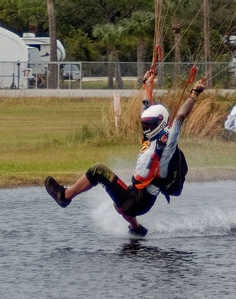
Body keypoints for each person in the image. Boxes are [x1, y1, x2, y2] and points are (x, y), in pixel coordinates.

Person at [44, 70, 205, 236]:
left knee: (98, 170)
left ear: (160, 122)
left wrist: (194, 94)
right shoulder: (152, 137)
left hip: (139, 201)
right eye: (145, 124)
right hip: (137, 195)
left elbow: (180, 116)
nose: (146, 127)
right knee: (120, 202)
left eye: (149, 124)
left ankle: (64, 196)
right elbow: (146, 109)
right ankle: (136, 229)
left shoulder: (168, 143)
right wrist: (148, 85)